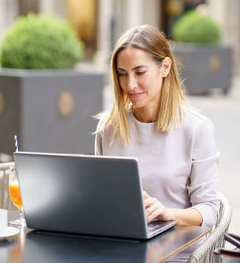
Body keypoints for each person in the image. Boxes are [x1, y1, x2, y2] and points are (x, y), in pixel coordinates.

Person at [94, 25, 220, 228]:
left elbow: (210, 210)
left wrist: (168, 213)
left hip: (177, 250)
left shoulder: (196, 129)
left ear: (165, 67)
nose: (130, 85)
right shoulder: (108, 128)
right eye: (122, 74)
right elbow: (101, 196)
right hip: (121, 240)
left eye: (140, 72)